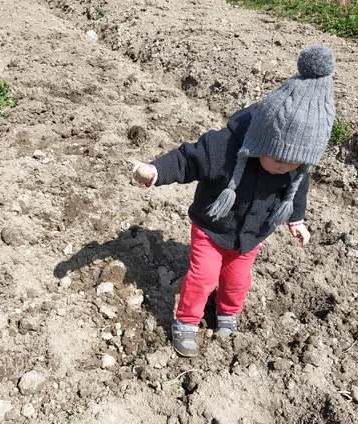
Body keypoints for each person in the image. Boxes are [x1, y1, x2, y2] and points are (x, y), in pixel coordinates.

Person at [132, 45, 336, 357]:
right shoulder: (225, 147)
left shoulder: (296, 167)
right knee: (203, 277)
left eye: (295, 163)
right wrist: (155, 171)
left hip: (251, 235)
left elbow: (297, 189)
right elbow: (188, 159)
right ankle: (187, 321)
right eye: (278, 158)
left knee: (238, 280)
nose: (285, 168)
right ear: (262, 140)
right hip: (212, 228)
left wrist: (296, 220)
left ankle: (227, 312)